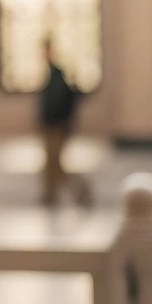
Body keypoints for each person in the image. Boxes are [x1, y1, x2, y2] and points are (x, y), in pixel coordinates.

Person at [38, 35, 90, 207]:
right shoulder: (51, 74)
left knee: (56, 162)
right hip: (51, 124)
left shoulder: (58, 75)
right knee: (51, 163)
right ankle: (51, 194)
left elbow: (58, 102)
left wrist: (55, 120)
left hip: (56, 125)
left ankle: (78, 189)